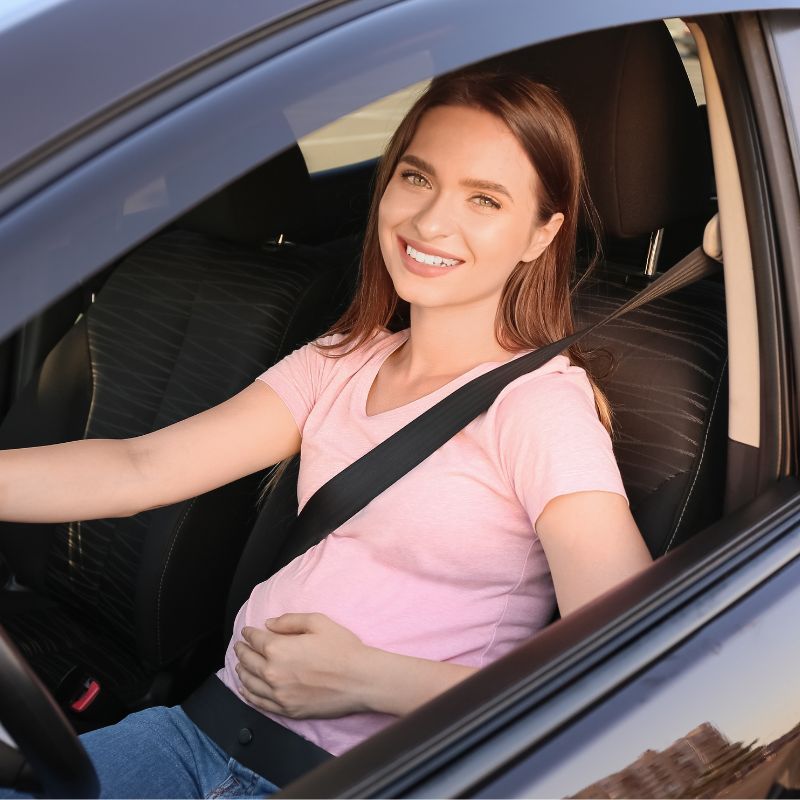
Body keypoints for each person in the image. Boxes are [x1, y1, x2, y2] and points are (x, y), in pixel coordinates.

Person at [0, 69, 652, 798]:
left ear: (541, 233)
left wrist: (369, 680)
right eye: (417, 177)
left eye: (484, 199)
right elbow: (140, 467)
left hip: (368, 779)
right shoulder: (342, 359)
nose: (431, 222)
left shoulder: (541, 409)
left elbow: (628, 662)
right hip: (199, 734)